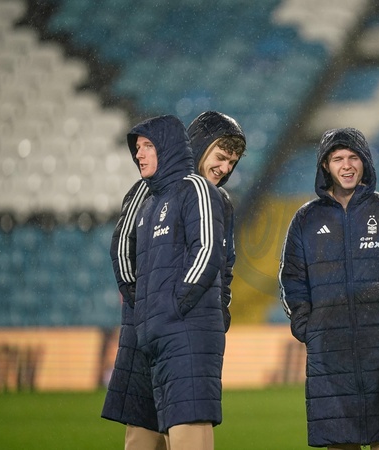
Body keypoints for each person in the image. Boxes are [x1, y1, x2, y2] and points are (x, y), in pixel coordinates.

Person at [279, 127, 379, 450]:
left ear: (365, 162)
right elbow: (291, 278)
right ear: (325, 166)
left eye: (353, 157)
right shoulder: (305, 219)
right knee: (339, 442)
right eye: (337, 159)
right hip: (328, 357)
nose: (346, 166)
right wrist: (308, 327)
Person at [127, 115, 226, 450]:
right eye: (137, 148)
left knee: (188, 435)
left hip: (186, 335)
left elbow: (208, 250)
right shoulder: (149, 204)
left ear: (167, 148)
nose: (139, 154)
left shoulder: (196, 188)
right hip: (160, 338)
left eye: (147, 146)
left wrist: (172, 307)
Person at [101, 178, 165, 450]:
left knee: (168, 425)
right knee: (146, 426)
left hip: (171, 329)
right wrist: (141, 301)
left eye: (231, 161)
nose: (226, 168)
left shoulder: (209, 196)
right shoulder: (148, 188)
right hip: (149, 329)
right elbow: (121, 246)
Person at [187, 110, 248, 333]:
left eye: (232, 162)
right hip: (163, 324)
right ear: (198, 148)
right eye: (221, 158)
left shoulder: (222, 203)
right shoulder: (159, 193)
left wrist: (219, 310)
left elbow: (225, 266)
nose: (225, 169)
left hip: (204, 327)